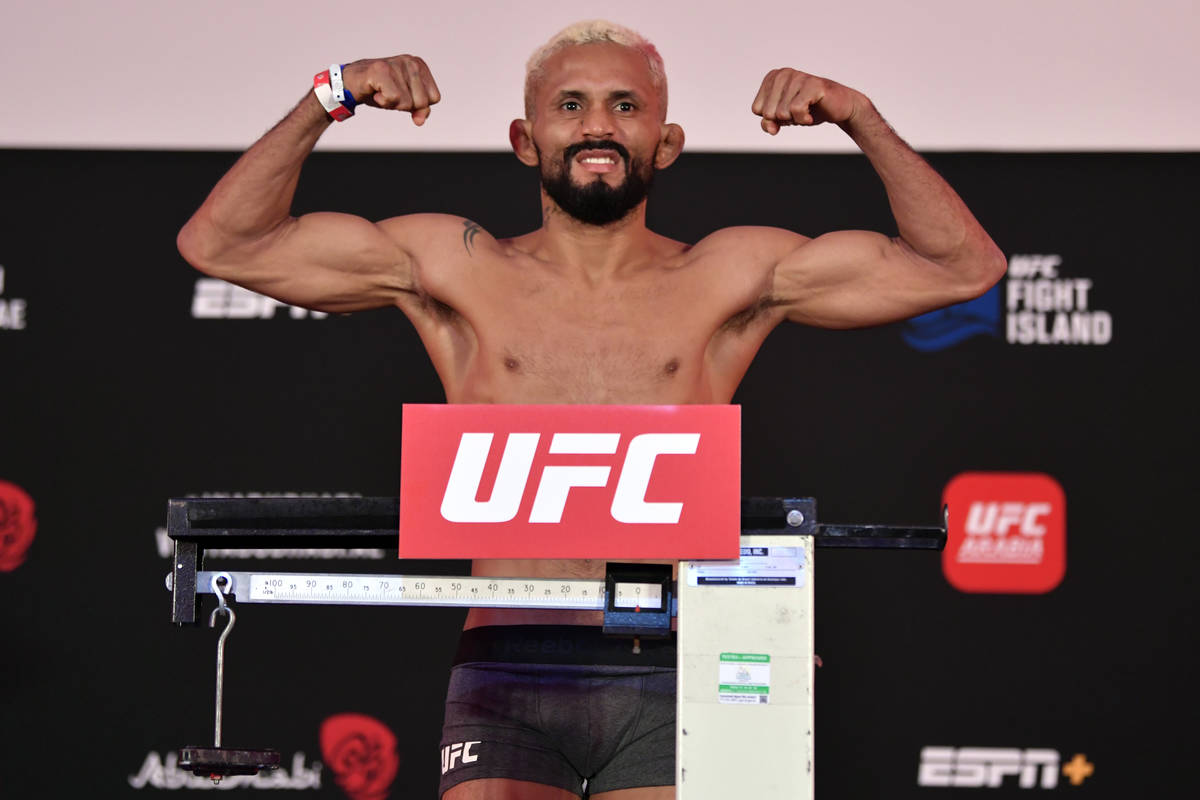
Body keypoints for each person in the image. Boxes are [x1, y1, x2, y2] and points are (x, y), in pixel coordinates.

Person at [177, 20, 1005, 800]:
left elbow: (961, 268)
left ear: (666, 142)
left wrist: (859, 116)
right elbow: (223, 243)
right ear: (525, 139)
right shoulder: (454, 267)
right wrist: (333, 93)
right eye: (570, 105)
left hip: (676, 660)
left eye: (625, 105)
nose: (597, 125)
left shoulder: (727, 274)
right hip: (507, 661)